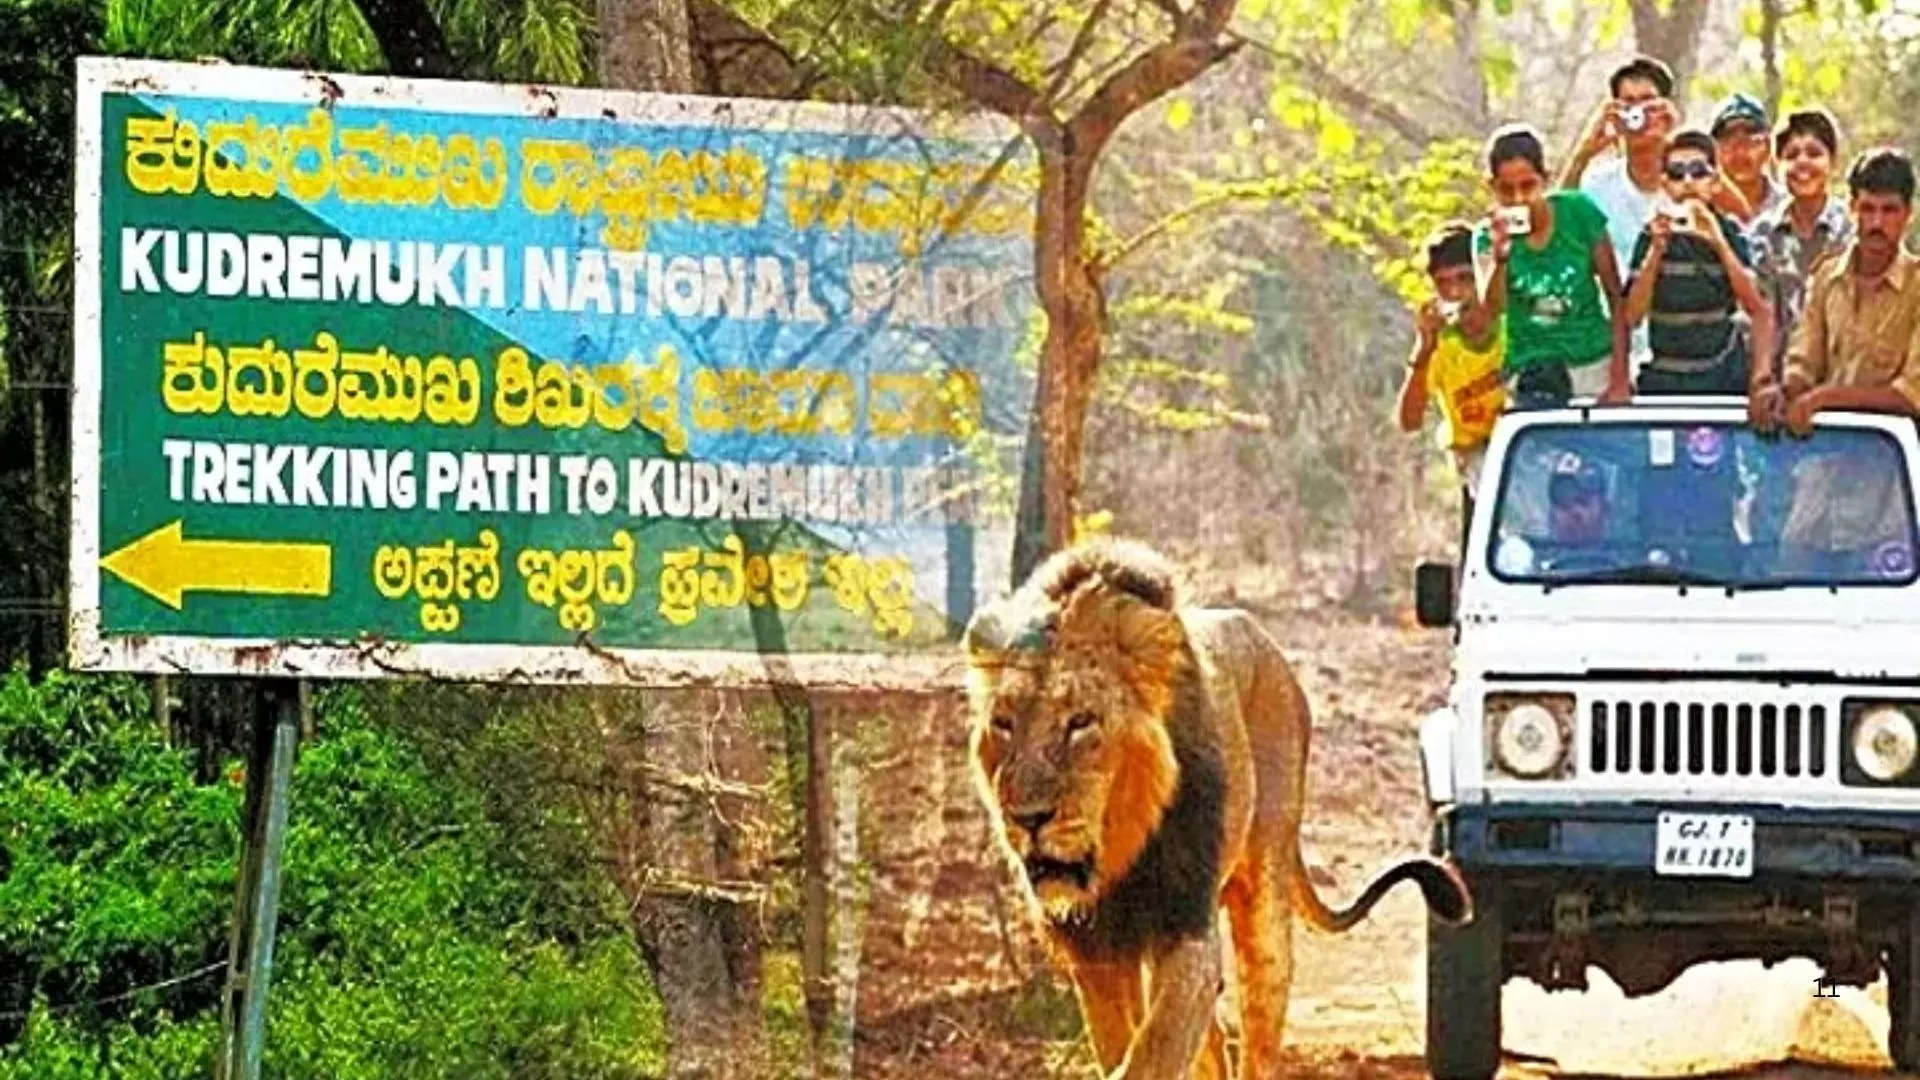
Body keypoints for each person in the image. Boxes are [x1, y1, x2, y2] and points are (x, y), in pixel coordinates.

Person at [1757, 147, 1920, 434]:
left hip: (1892, 463)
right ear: (1852, 208)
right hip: (1824, 456)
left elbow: (1909, 395)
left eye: (1889, 210)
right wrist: (1783, 391)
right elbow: (1804, 360)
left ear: (1908, 213)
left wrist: (1825, 398)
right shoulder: (1826, 276)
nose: (1877, 223)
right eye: (1868, 209)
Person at [1477, 124, 1632, 407]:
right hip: (1530, 368)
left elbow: (1615, 296)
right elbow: (1489, 314)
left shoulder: (1578, 212)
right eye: (1506, 190)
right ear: (1491, 188)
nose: (1519, 198)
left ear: (1544, 181)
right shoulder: (1486, 237)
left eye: (1528, 186)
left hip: (1591, 362)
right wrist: (1500, 260)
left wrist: (1619, 376)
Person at [1621, 128, 1774, 395]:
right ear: (1665, 183)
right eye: (1678, 174)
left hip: (1722, 375)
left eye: (1698, 171)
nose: (1688, 182)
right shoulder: (1652, 234)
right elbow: (1631, 316)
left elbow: (1757, 307)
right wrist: (1656, 252)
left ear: (1715, 181)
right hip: (1666, 378)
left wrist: (1717, 242)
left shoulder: (1729, 231)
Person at [1561, 56, 1682, 372]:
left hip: (1681, 351)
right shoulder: (1597, 184)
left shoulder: (1688, 179)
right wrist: (1586, 150)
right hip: (1614, 353)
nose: (1639, 113)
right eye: (1628, 103)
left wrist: (1676, 139)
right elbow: (1554, 222)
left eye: (1648, 102)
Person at [1397, 223, 1506, 551]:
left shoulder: (1514, 324)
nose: (1456, 293)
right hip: (1477, 454)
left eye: (1465, 279)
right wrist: (1423, 350)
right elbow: (1409, 421)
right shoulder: (1442, 344)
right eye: (1444, 284)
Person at [1748, 108, 1853, 388]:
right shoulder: (1763, 233)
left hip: (1844, 382)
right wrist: (1764, 380)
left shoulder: (1853, 229)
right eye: (1792, 155)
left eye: (1814, 153)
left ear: (1833, 162)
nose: (1803, 164)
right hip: (1780, 383)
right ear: (1777, 164)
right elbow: (1762, 310)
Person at [1710, 93, 1786, 226]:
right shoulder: (1704, 209)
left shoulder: (1789, 207)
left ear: (1768, 147)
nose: (1740, 153)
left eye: (1751, 142)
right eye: (1729, 143)